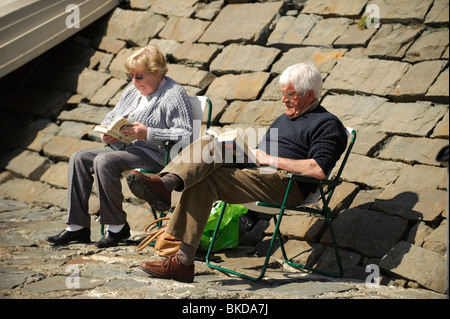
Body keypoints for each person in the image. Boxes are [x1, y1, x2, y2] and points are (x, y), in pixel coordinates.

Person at [127, 63, 348, 282]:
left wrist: (268, 159)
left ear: (310, 95)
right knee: (208, 143)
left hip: (287, 186)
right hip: (258, 173)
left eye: (289, 94)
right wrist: (242, 152)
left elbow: (318, 169)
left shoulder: (328, 124)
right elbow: (262, 155)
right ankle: (166, 185)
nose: (283, 100)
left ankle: (181, 255)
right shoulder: (284, 118)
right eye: (282, 94)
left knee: (207, 178)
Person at [46, 45, 193, 248]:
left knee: (104, 161)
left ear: (157, 72)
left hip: (155, 153)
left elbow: (186, 135)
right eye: (131, 76)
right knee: (79, 158)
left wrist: (148, 133)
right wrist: (108, 133)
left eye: (139, 76)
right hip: (125, 148)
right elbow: (112, 117)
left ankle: (116, 226)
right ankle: (77, 226)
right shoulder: (133, 90)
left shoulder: (173, 94)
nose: (134, 82)